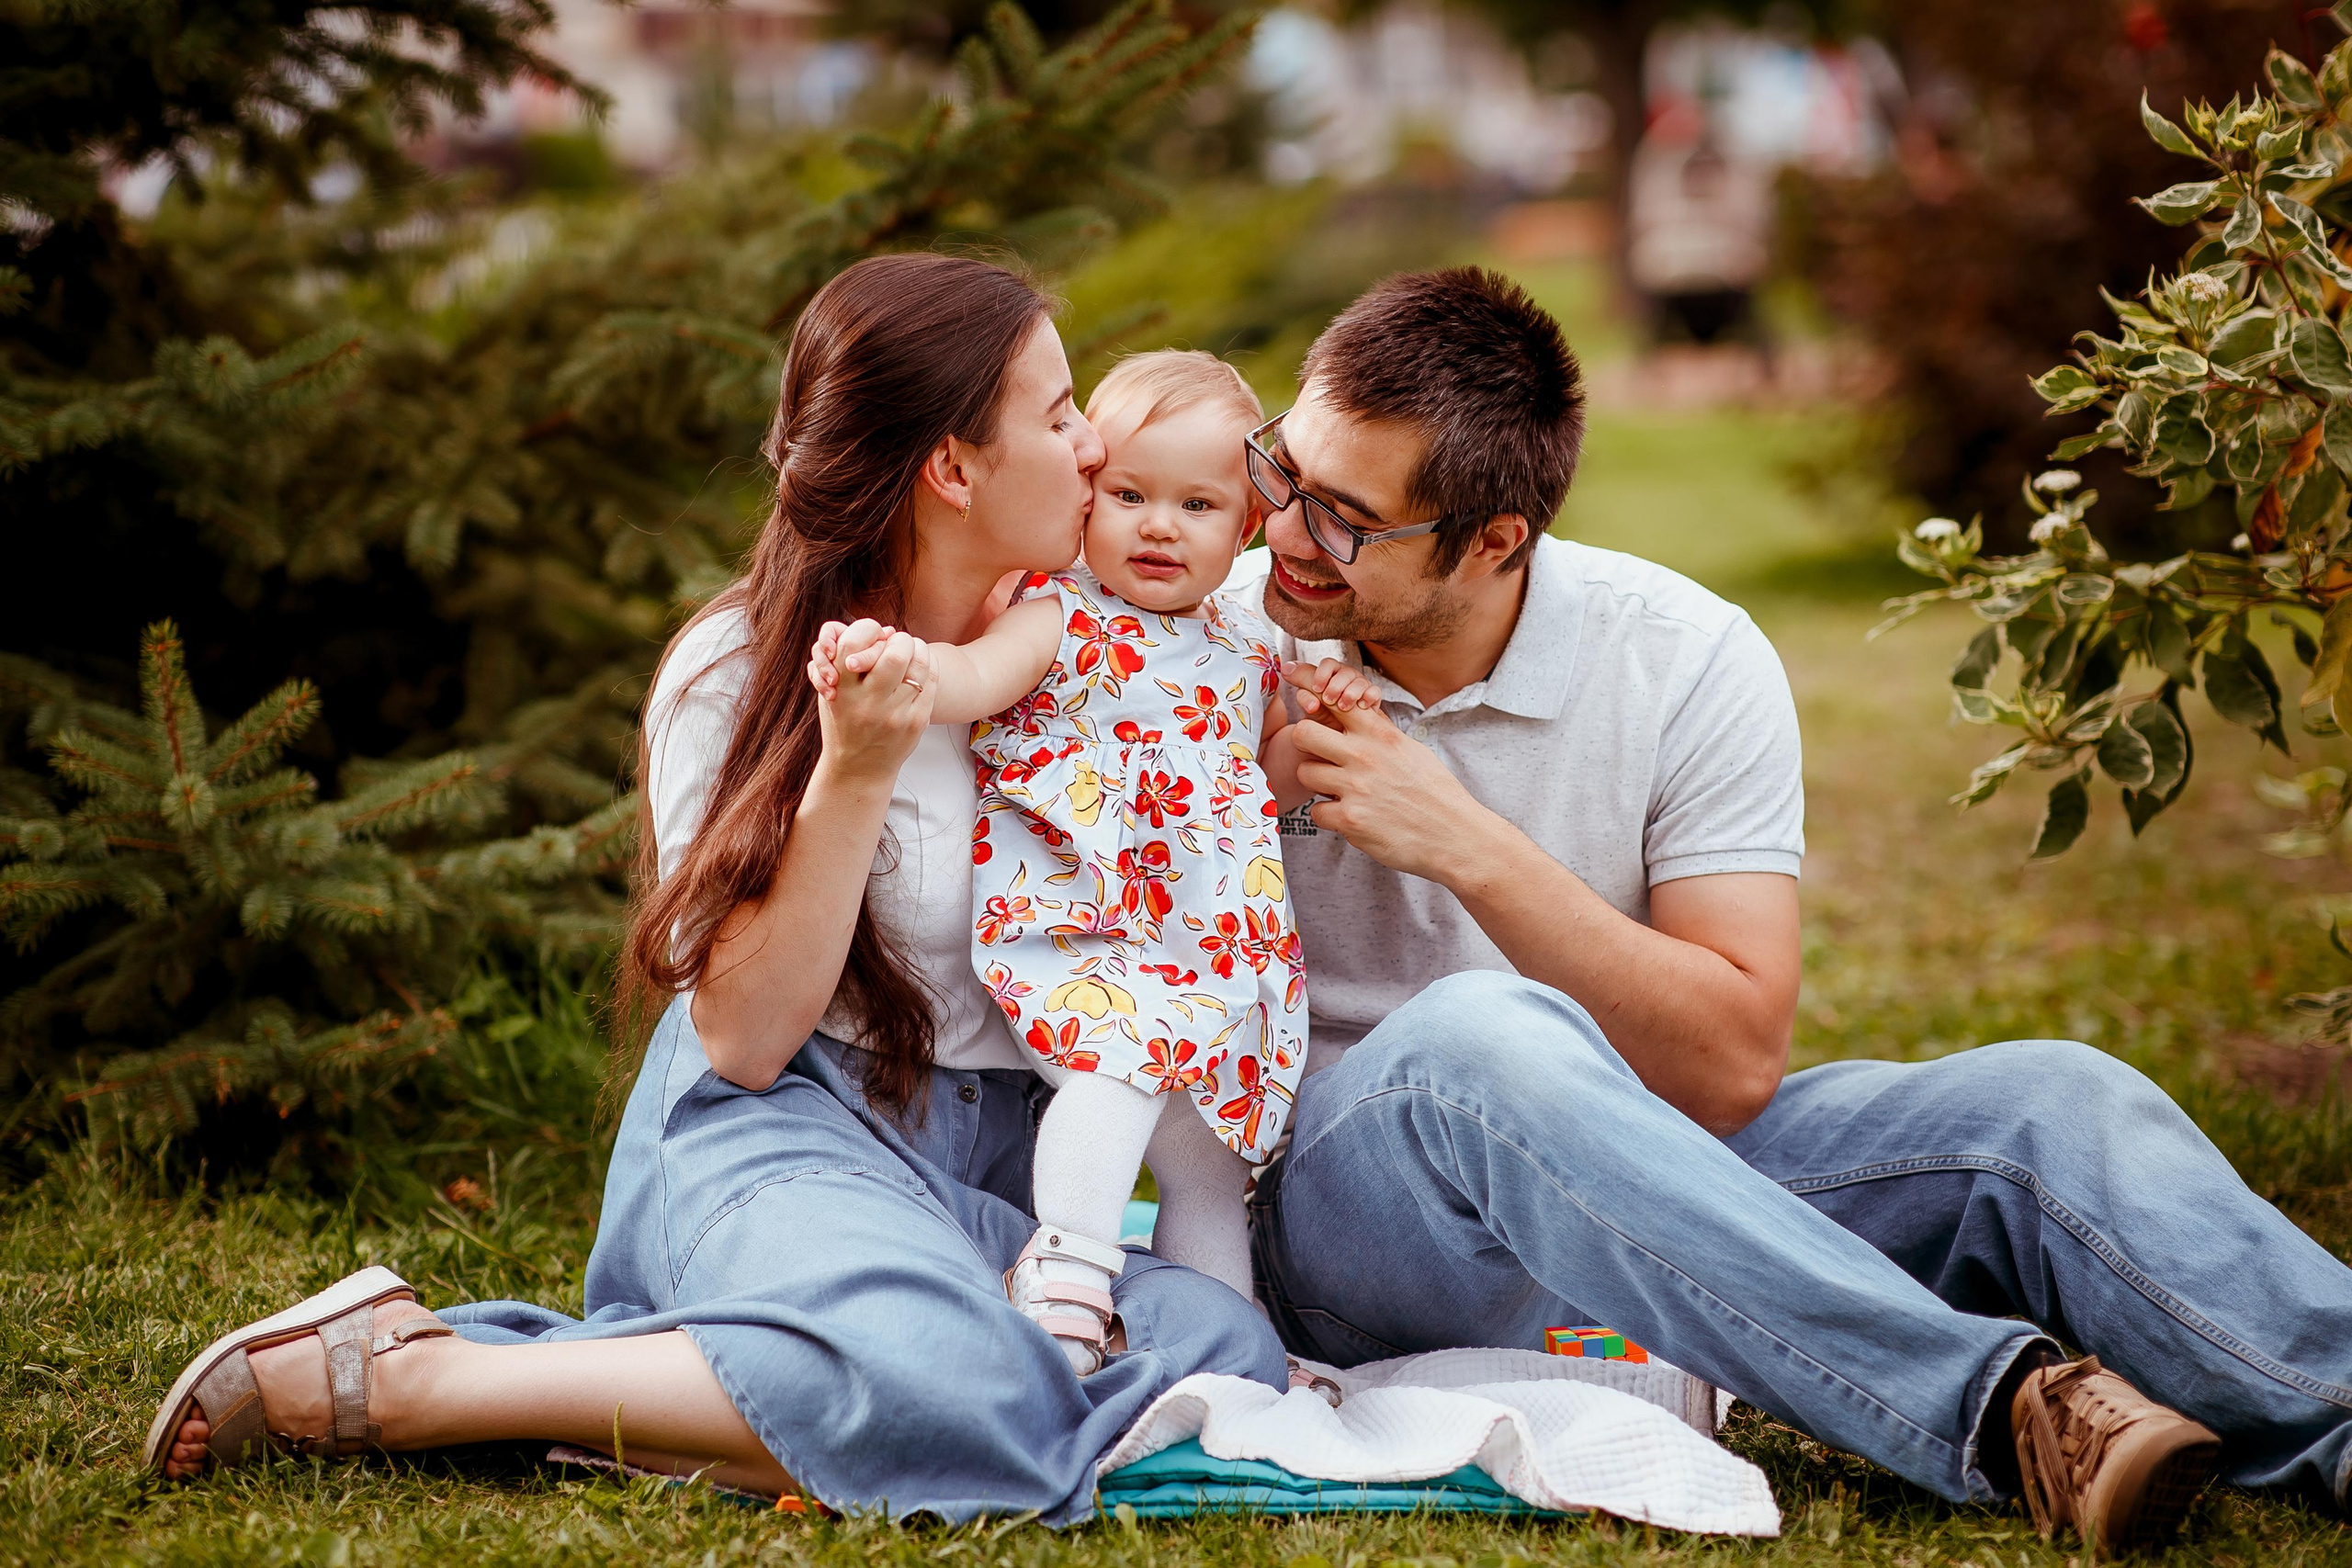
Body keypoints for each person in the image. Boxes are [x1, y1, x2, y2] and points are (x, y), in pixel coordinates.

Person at [144, 254, 1288, 1522]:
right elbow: (743, 1038)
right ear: (954, 471)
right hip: (787, 1121)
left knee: (1224, 1348)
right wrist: (852, 772)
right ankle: (423, 1382)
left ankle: (741, 1383)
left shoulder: (1097, 644)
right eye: (1061, 414)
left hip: (990, 1161)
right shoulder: (736, 670)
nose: (1093, 450)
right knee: (965, 1379)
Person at [1229, 265, 2352, 1552]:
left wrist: (1470, 848)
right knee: (1473, 1038)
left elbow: (1729, 1064)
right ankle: (2006, 1415)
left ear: (1493, 540)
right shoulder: (1208, 640)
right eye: (1283, 472)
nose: (1282, 533)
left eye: (1344, 521)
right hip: (1347, 1227)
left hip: (1655, 1187)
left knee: (2051, 1102)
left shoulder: (1682, 656)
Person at [801, 350, 1374, 1375]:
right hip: (1088, 926)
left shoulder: (1247, 648)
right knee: (1112, 1078)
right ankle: (1064, 1270)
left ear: (1247, 525)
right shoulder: (1060, 615)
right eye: (1129, 495)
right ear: (1087, 497)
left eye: (1197, 504)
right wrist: (899, 664)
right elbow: (972, 677)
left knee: (1208, 1165)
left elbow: (1258, 778)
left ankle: (1226, 1349)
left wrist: (1323, 735)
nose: (1160, 526)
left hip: (1207, 947)